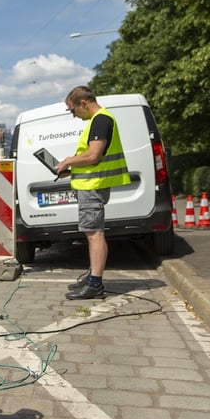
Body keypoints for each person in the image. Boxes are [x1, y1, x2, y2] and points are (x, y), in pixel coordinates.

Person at [55, 86, 131, 300]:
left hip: (93, 186)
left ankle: (95, 283)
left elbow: (94, 155)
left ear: (83, 104)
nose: (73, 115)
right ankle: (92, 278)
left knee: (94, 233)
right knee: (93, 232)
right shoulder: (99, 120)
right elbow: (92, 159)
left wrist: (68, 160)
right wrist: (72, 170)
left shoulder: (101, 120)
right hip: (92, 183)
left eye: (72, 110)